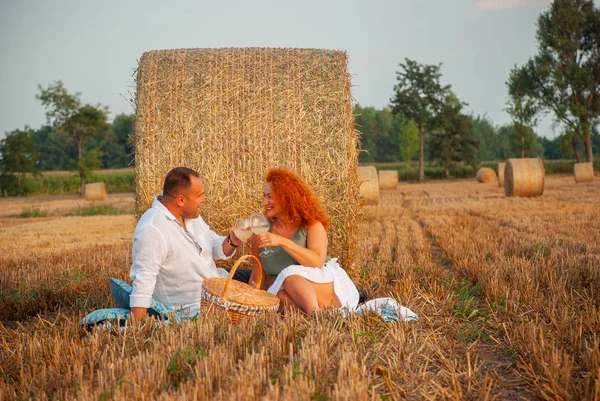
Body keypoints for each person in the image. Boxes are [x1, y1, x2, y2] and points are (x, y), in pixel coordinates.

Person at [129, 167, 242, 319]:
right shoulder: (152, 229)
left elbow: (213, 246)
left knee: (268, 279)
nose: (204, 200)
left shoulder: (190, 215)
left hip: (218, 283)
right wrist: (137, 327)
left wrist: (232, 241)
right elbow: (144, 278)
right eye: (200, 195)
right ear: (181, 200)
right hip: (198, 304)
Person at [249, 168, 359, 314]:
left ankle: (315, 315)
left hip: (322, 285)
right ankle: (320, 314)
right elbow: (258, 273)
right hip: (288, 292)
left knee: (289, 275)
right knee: (279, 297)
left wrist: (283, 242)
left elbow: (317, 262)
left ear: (286, 197)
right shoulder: (261, 230)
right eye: (264, 196)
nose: (264, 202)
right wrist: (249, 301)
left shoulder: (311, 225)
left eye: (270, 197)